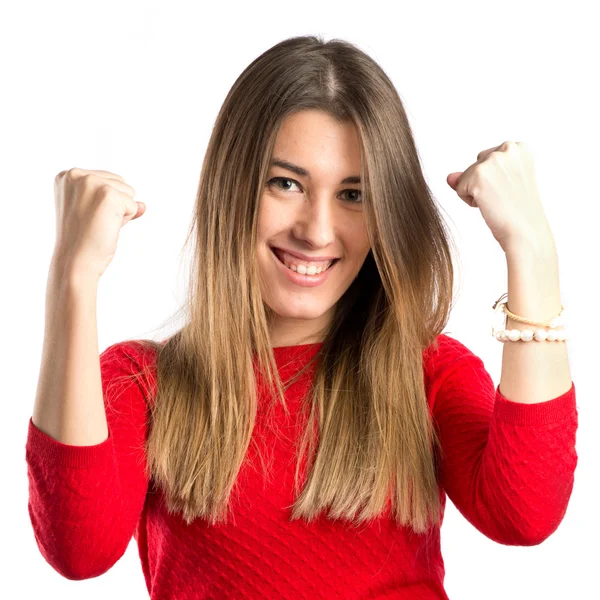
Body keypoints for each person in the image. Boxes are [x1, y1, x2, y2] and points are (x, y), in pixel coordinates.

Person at [26, 35, 577, 599]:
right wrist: (73, 277)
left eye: (353, 194)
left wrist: (531, 248)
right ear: (231, 187)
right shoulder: (142, 385)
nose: (316, 230)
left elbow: (525, 514)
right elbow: (79, 551)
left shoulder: (427, 373)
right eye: (286, 183)